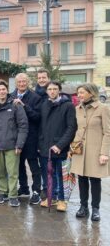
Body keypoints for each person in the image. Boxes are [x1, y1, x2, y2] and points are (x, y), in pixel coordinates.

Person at [71, 83, 110, 222]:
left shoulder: (103, 108)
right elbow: (75, 129)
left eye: (82, 92)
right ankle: (83, 207)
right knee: (81, 179)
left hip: (95, 151)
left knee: (94, 180)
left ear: (91, 93)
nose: (79, 95)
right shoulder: (77, 109)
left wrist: (104, 153)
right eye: (78, 93)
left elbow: (108, 132)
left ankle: (95, 209)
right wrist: (72, 148)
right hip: (80, 150)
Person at [0, 80, 28, 207]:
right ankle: (3, 193)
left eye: (3, 89)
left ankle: (13, 195)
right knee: (0, 171)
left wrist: (19, 144)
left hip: (12, 146)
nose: (1, 92)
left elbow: (23, 126)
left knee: (13, 172)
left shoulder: (15, 105)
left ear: (7, 90)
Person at [38, 81, 77, 212]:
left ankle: (62, 200)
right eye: (49, 89)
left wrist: (60, 145)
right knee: (49, 173)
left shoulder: (68, 105)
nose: (52, 91)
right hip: (45, 147)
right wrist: (40, 144)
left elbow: (71, 128)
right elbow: (41, 126)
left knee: (61, 175)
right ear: (47, 91)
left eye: (55, 89)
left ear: (59, 90)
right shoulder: (44, 104)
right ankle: (52, 197)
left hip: (60, 147)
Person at [10, 73, 42, 205]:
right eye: (19, 82)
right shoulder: (10, 96)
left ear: (28, 82)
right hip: (16, 137)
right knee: (19, 165)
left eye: (24, 81)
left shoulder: (35, 97)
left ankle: (36, 191)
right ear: (16, 83)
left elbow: (37, 117)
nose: (22, 84)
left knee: (33, 165)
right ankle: (24, 188)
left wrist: (24, 106)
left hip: (31, 137)